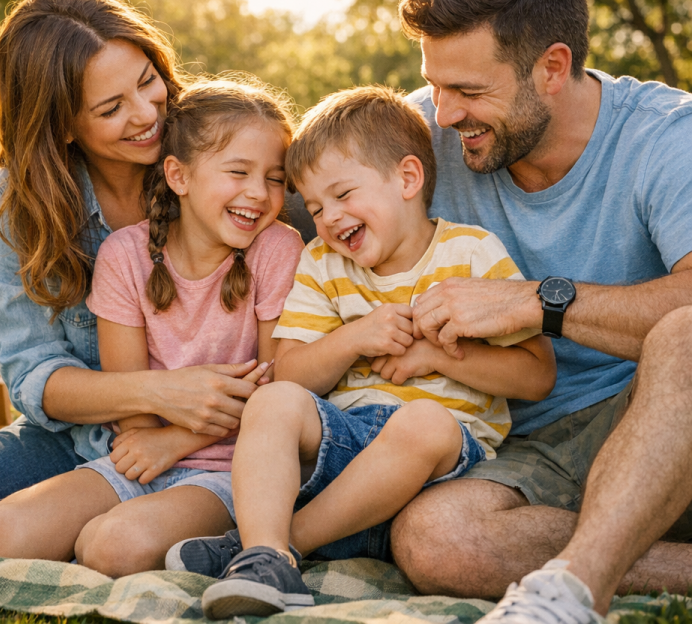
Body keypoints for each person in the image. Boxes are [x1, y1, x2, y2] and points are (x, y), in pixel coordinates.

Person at [385, 0, 692, 623]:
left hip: (659, 413)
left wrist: (537, 302)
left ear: (552, 67)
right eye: (434, 84)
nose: (443, 113)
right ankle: (634, 554)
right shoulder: (420, 137)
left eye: (467, 91)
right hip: (530, 444)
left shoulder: (666, 137)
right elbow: (274, 174)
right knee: (436, 539)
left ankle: (572, 589)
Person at [168, 86, 556, 619]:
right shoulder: (324, 263)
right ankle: (265, 552)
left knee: (425, 422)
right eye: (317, 206)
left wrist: (440, 358)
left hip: (438, 473)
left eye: (344, 194)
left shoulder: (471, 253)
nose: (329, 218)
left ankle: (269, 548)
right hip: (342, 453)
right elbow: (290, 373)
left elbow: (537, 376)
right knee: (274, 401)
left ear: (407, 178)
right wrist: (356, 336)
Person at [0, 0, 274, 546]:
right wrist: (156, 393)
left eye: (146, 82)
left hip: (231, 439)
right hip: (77, 441)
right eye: (111, 109)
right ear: (61, 125)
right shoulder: (18, 201)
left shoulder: (217, 154)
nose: (147, 116)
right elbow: (32, 371)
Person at [0, 77, 304, 574]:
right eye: (238, 172)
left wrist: (176, 442)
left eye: (275, 179)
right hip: (140, 450)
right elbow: (129, 396)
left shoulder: (277, 249)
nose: (258, 193)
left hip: (239, 465)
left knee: (113, 546)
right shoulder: (124, 254)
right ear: (178, 175)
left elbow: (279, 385)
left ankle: (251, 537)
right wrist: (151, 444)